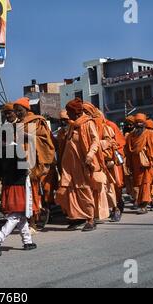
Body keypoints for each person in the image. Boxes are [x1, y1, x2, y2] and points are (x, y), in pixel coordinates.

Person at [56, 98, 100, 231]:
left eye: (69, 112)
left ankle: (90, 219)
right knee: (68, 192)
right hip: (68, 166)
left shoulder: (88, 123)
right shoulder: (72, 125)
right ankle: (76, 217)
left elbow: (95, 140)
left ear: (75, 112)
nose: (67, 115)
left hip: (81, 163)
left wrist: (90, 155)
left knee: (84, 190)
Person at [14, 98, 56, 233]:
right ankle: (32, 219)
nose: (18, 114)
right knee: (27, 191)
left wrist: (25, 135)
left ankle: (35, 220)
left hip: (35, 160)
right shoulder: (17, 124)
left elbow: (45, 139)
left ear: (27, 110)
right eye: (16, 111)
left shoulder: (37, 121)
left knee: (34, 190)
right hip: (22, 160)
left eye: (20, 111)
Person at [0, 138, 37, 256]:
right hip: (18, 185)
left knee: (21, 215)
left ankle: (27, 241)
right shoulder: (17, 148)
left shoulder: (0, 150)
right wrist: (27, 171)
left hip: (7, 185)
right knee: (16, 215)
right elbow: (23, 168)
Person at [125, 114, 153, 215]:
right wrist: (128, 164)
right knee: (139, 185)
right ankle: (151, 199)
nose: (139, 124)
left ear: (144, 123)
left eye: (141, 122)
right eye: (137, 123)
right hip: (136, 165)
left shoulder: (151, 134)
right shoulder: (130, 136)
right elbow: (128, 152)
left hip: (147, 164)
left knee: (146, 183)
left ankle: (143, 205)